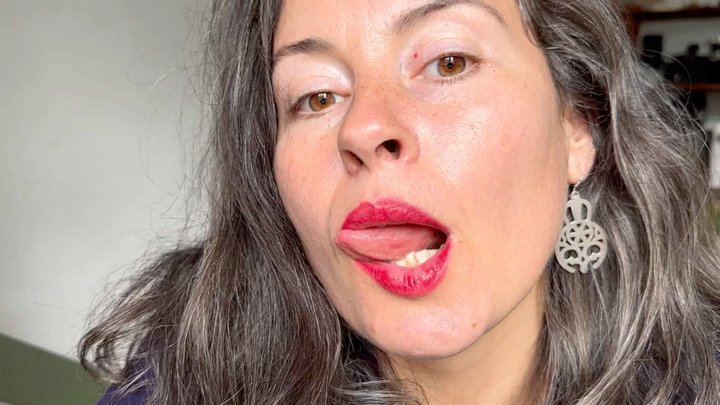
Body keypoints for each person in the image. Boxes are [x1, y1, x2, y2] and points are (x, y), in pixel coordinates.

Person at [80, 0, 720, 404]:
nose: (363, 127)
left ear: (577, 127)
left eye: (448, 62)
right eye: (317, 96)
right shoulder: (180, 383)